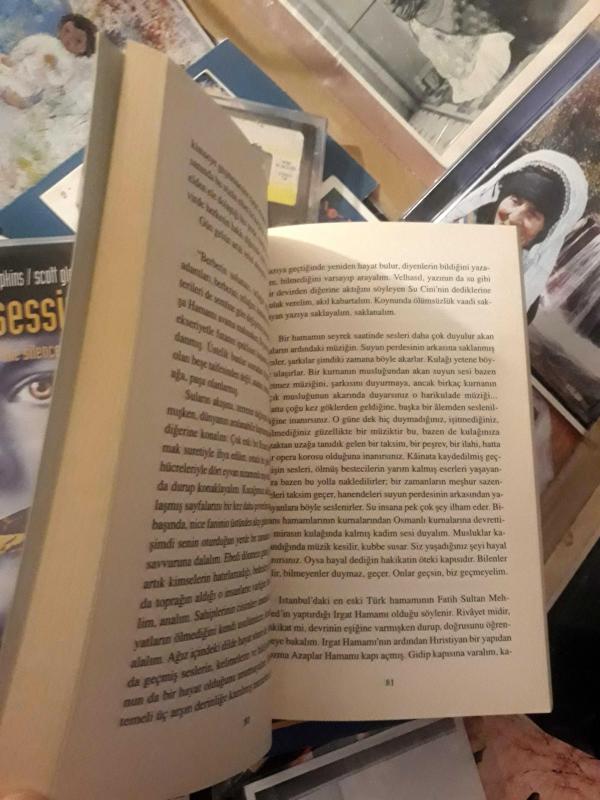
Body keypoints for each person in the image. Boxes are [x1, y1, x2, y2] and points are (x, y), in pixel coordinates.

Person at [445, 149, 589, 314]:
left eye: (533, 213)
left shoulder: (524, 296)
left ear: (548, 231)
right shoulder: (451, 233)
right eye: (515, 200)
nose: (514, 217)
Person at [0, 13, 97, 109]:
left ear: (83, 50)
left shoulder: (69, 63)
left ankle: (9, 96)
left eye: (78, 41)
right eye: (67, 31)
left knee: (20, 90)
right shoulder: (46, 40)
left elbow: (59, 80)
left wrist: (52, 67)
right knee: (6, 68)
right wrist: (14, 58)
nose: (68, 39)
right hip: (20, 66)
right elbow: (26, 46)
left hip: (32, 84)